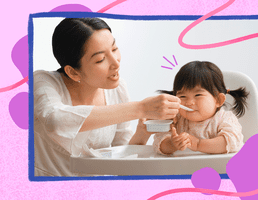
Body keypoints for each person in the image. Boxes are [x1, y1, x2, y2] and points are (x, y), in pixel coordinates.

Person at [34, 18, 180, 176]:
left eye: (115, 48)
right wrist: (141, 108)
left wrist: (141, 134)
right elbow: (55, 121)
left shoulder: (117, 90)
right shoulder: (42, 81)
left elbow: (121, 157)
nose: (116, 63)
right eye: (100, 59)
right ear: (73, 72)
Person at [153, 61, 249, 155]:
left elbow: (231, 142)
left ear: (218, 100)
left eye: (198, 95)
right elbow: (158, 142)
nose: (189, 103)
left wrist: (197, 144)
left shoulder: (224, 118)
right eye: (182, 96)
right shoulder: (176, 119)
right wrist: (172, 144)